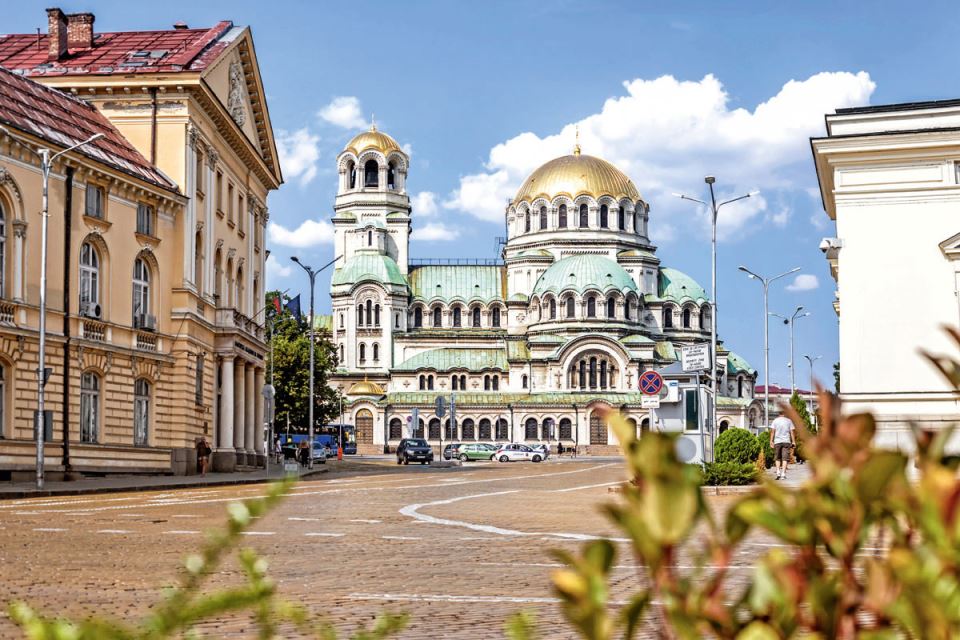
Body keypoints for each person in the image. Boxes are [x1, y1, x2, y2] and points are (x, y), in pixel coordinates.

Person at [769, 414, 796, 480]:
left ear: (778, 414)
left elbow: (772, 432)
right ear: (784, 414)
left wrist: (771, 441)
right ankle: (783, 474)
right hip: (786, 441)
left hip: (777, 441)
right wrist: (793, 441)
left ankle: (778, 472)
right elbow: (791, 432)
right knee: (785, 458)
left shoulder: (775, 421)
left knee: (777, 458)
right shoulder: (789, 421)